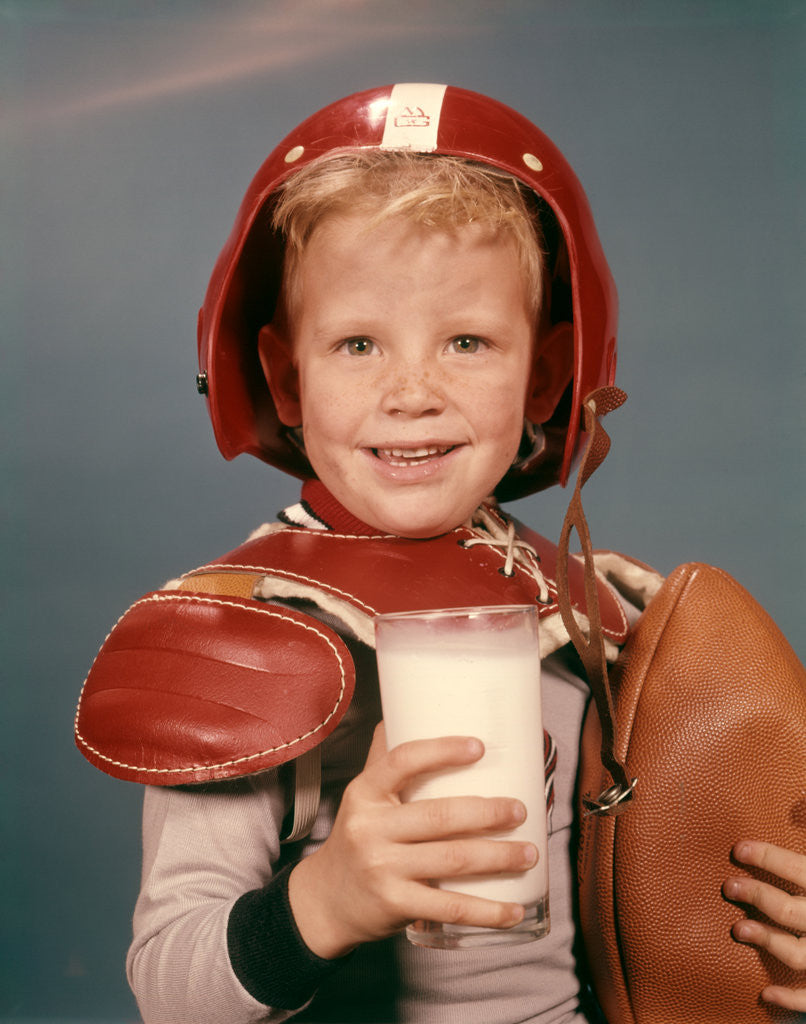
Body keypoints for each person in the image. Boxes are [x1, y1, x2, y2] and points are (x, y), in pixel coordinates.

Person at [76, 84, 806, 1023]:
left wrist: (773, 956)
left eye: (467, 340)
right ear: (284, 377)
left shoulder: (606, 623)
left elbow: (669, 925)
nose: (412, 391)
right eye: (356, 344)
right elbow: (172, 992)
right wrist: (326, 901)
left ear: (544, 377)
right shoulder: (238, 633)